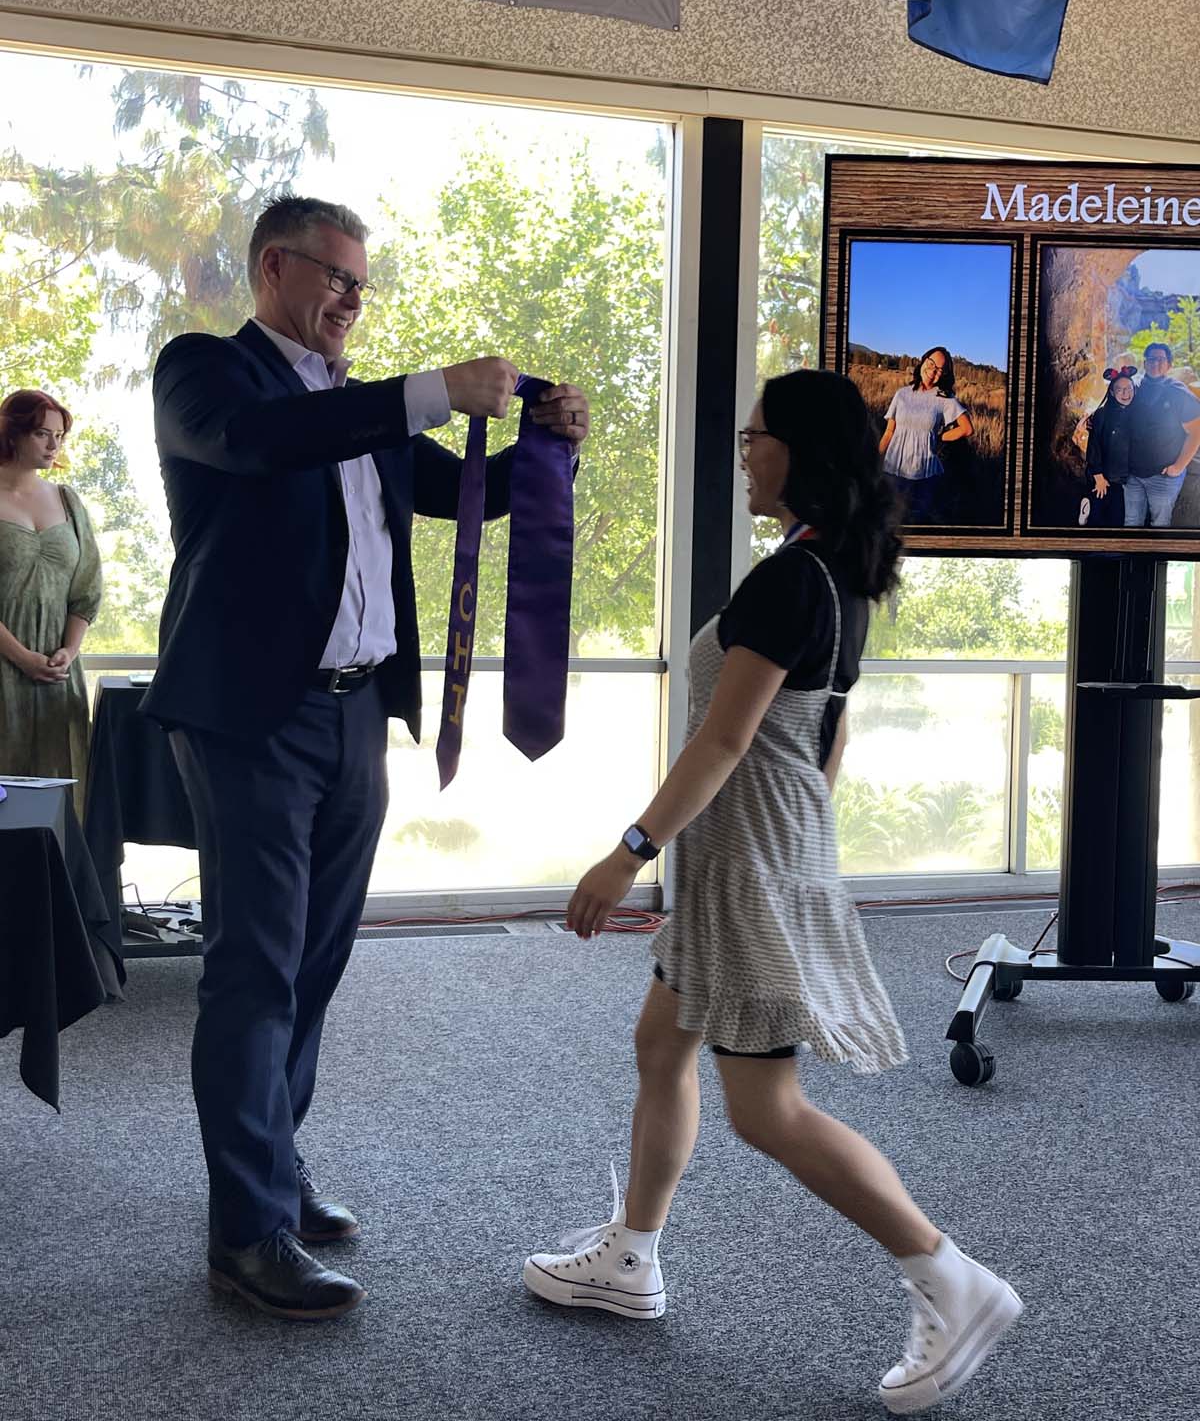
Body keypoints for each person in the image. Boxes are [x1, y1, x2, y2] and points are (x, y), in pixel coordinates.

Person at [522, 369, 1022, 1415]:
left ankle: (950, 1278)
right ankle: (632, 1256)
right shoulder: (830, 570)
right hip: (758, 852)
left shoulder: (789, 580)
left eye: (756, 438)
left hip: (744, 862)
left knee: (769, 1109)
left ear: (799, 451)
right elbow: (827, 736)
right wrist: (782, 845)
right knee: (663, 1042)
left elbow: (726, 736)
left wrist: (630, 850)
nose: (745, 453)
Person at [145, 194, 589, 1322]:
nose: (352, 299)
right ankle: (246, 1233)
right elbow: (258, 446)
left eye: (361, 285)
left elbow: (468, 496)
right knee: (255, 966)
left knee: (314, 965)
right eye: (338, 277)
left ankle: (271, 1164)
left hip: (355, 716)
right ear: (273, 269)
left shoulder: (366, 413)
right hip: (250, 715)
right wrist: (437, 388)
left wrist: (548, 444)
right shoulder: (207, 373)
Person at [0, 390, 102, 821]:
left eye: (59, 435)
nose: (53, 445)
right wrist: (22, 657)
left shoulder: (67, 500)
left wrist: (68, 652)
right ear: (12, 433)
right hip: (5, 665)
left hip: (58, 675)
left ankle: (58, 889)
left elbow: (88, 588)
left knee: (62, 797)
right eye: (43, 433)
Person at [877, 346, 973, 525]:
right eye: (931, 364)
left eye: (939, 370)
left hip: (923, 477)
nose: (932, 371)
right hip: (892, 472)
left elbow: (967, 428)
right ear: (923, 361)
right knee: (889, 523)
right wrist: (875, 460)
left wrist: (941, 437)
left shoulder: (944, 398)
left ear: (943, 374)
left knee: (917, 525)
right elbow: (889, 432)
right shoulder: (902, 394)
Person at [1124, 342, 1200, 527]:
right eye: (1151, 359)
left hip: (1163, 477)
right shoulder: (1137, 388)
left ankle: (1155, 557)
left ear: (1169, 364)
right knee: (1131, 522)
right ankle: (1131, 557)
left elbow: (1196, 432)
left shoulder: (1178, 392)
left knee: (1159, 525)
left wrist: (1178, 467)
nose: (1155, 363)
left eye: (1160, 359)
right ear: (1144, 363)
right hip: (1132, 475)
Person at [1078, 365, 1136, 528]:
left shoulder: (1136, 413)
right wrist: (1098, 476)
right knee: (1097, 520)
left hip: (1125, 480)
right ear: (1111, 392)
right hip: (1104, 478)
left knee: (1117, 520)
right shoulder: (1102, 414)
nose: (1126, 394)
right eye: (1120, 390)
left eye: (1129, 388)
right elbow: (1094, 445)